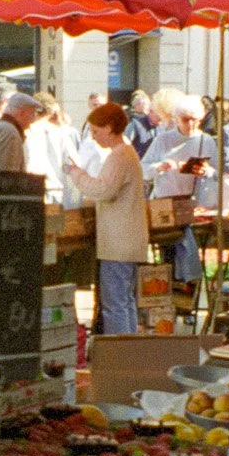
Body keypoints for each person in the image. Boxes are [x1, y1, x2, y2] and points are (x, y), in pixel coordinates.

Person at [66, 102, 147, 334]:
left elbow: (104, 190)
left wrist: (76, 173)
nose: (93, 137)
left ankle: (120, 358)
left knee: (115, 305)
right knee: (125, 302)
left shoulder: (119, 156)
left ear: (110, 127)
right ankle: (128, 350)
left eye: (96, 131)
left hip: (118, 243)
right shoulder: (126, 153)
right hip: (126, 241)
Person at [143, 90, 212, 286]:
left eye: (196, 120)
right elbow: (143, 169)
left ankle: (187, 301)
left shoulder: (205, 141)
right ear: (176, 119)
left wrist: (206, 171)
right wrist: (160, 167)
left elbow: (217, 173)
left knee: (190, 254)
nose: (191, 125)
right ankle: (170, 298)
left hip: (192, 205)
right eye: (186, 120)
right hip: (165, 203)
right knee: (169, 255)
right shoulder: (163, 140)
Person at [25, 96, 76, 205]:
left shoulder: (25, 133)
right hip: (55, 191)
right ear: (52, 112)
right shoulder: (61, 133)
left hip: (31, 191)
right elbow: (73, 164)